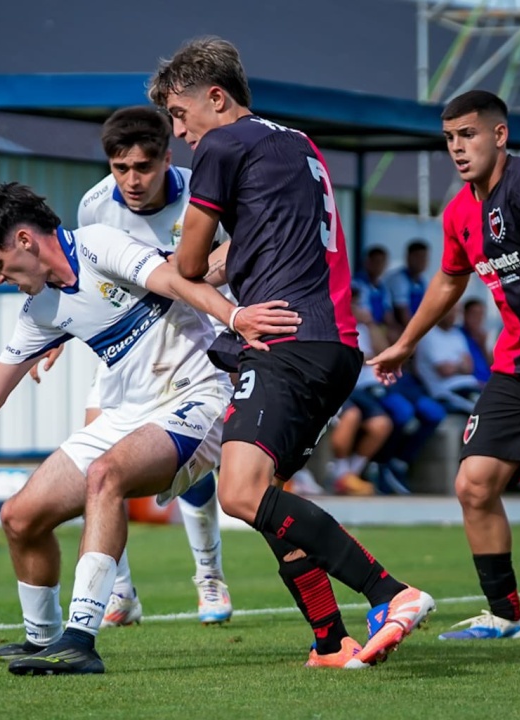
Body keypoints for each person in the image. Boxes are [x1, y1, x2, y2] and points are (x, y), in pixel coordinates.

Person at [0, 182, 300, 675]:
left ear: (25, 240)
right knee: (19, 516)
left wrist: (234, 316)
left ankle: (80, 640)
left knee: (105, 476)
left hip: (199, 398)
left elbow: (179, 282)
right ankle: (41, 639)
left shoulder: (97, 244)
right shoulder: (41, 310)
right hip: (129, 412)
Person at [149, 35, 434, 668]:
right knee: (273, 495)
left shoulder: (222, 144)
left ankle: (392, 594)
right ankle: (331, 642)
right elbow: (254, 245)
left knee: (240, 493)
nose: (179, 132)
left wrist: (171, 273)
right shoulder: (296, 142)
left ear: (215, 98)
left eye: (179, 113)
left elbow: (193, 263)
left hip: (285, 342)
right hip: (332, 343)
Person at [29, 106, 235, 627]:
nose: (132, 180)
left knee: (190, 473)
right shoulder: (96, 205)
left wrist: (195, 275)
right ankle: (120, 593)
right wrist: (58, 337)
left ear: (168, 157)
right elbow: (83, 278)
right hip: (124, 346)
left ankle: (209, 575)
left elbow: (244, 244)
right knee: (97, 462)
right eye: (121, 168)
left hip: (194, 340)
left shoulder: (203, 191)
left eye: (144, 167)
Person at [372, 89, 520, 641]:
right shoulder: (458, 212)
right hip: (519, 366)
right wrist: (406, 343)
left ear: (499, 135)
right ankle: (507, 615)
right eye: (449, 138)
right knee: (474, 484)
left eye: (468, 134)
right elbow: (451, 279)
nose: (457, 147)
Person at [327, 288, 392, 496]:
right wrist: (362, 358)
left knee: (381, 424)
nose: (354, 307)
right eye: (350, 302)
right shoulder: (331, 321)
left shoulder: (364, 326)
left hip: (363, 388)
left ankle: (349, 476)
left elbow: (384, 353)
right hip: (337, 386)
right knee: (351, 415)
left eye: (356, 302)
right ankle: (339, 473)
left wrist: (371, 323)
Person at [414, 305, 483, 414]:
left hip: (469, 385)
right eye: (450, 311)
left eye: (456, 312)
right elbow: (445, 370)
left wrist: (455, 367)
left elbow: (469, 368)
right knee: (487, 410)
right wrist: (460, 366)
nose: (453, 316)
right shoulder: (428, 335)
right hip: (447, 391)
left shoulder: (457, 334)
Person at [386, 240, 430, 332]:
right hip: (398, 328)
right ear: (408, 257)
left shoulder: (423, 281)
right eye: (418, 257)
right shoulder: (398, 279)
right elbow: (403, 314)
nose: (421, 261)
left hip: (416, 327)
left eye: (424, 257)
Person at [461, 298, 493, 384]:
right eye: (474, 314)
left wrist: (483, 346)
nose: (477, 318)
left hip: (487, 382)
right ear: (465, 314)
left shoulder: (483, 337)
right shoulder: (457, 335)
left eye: (481, 315)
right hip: (471, 383)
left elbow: (492, 365)